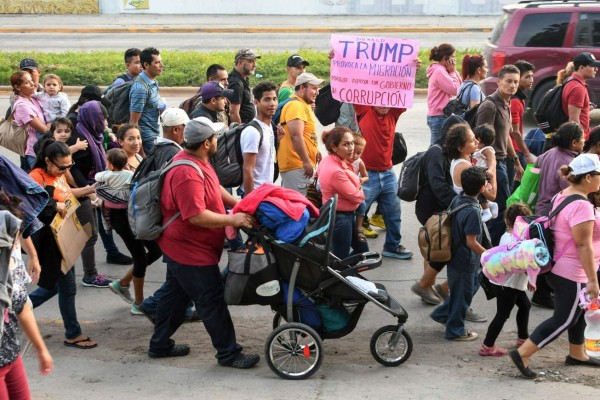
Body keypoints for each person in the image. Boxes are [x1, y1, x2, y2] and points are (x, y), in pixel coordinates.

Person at [148, 118, 260, 369]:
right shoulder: (185, 172)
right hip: (188, 250)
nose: (218, 141)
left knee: (176, 297)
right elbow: (195, 215)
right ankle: (228, 354)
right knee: (210, 300)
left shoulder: (199, 161)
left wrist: (240, 206)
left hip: (191, 247)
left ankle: (159, 344)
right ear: (207, 143)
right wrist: (234, 219)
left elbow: (214, 187)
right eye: (216, 138)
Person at [510, 153, 600, 379]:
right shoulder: (582, 206)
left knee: (578, 311)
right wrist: (592, 280)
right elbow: (583, 245)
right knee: (565, 318)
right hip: (572, 271)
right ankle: (523, 353)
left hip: (558, 266)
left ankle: (577, 352)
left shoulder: (564, 194)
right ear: (588, 177)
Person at [28, 139, 98, 350]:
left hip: (63, 237)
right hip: (50, 243)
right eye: (62, 167)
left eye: (69, 166)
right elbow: (27, 206)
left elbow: (67, 193)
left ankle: (14, 310)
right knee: (65, 287)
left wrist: (90, 189)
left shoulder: (57, 175)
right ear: (48, 161)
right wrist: (52, 204)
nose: (66, 170)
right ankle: (73, 333)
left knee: (54, 286)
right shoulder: (36, 177)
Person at [0, 189, 53, 399]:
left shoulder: (11, 262)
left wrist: (41, 349)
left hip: (11, 354)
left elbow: (22, 308)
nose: (15, 245)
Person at [107, 124, 162, 315]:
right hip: (122, 216)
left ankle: (123, 282)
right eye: (130, 139)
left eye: (138, 138)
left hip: (139, 214)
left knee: (156, 250)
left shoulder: (139, 158)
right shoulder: (116, 161)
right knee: (140, 257)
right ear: (120, 141)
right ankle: (139, 303)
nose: (136, 142)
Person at [430, 166, 488, 341]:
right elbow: (471, 242)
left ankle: (443, 314)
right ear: (482, 188)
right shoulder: (472, 211)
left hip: (455, 257)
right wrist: (489, 256)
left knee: (463, 292)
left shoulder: (458, 199)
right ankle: (456, 330)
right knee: (463, 297)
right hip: (465, 261)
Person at [532, 122, 585, 309]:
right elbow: (570, 190)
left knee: (546, 252)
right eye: (581, 139)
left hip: (541, 208)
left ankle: (543, 292)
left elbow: (536, 163)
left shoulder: (551, 153)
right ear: (573, 142)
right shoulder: (567, 163)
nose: (584, 140)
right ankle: (542, 294)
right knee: (552, 254)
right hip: (553, 213)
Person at [354, 103, 411, 260]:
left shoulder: (393, 113)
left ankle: (392, 247)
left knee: (394, 213)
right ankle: (348, 249)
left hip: (388, 173)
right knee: (358, 212)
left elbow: (403, 94)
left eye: (389, 100)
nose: (385, 104)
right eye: (381, 100)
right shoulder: (364, 110)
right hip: (367, 174)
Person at [68, 101, 115, 287]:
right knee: (90, 234)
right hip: (80, 192)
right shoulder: (80, 139)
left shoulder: (90, 133)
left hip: (88, 189)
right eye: (102, 118)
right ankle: (89, 275)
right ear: (93, 118)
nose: (105, 122)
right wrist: (88, 192)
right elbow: (73, 170)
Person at [476, 64, 523, 245]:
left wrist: (516, 161)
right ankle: (490, 250)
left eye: (515, 82)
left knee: (503, 207)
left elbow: (507, 136)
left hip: (505, 163)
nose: (512, 85)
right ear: (498, 82)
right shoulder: (490, 106)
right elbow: (479, 140)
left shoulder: (507, 102)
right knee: (499, 211)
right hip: (494, 165)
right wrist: (490, 169)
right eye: (508, 81)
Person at [480, 203, 533, 357]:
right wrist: (532, 277)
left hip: (510, 283)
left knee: (525, 305)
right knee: (503, 314)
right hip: (506, 285)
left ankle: (523, 338)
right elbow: (520, 263)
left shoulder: (507, 237)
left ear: (506, 221)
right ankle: (487, 346)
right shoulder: (514, 240)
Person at [318, 126, 368, 259]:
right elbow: (358, 197)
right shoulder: (336, 170)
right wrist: (359, 187)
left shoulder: (333, 160)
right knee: (341, 259)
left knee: (363, 252)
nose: (351, 148)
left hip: (345, 216)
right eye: (346, 144)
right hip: (341, 219)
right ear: (334, 147)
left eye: (352, 143)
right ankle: (341, 278)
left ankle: (347, 277)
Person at [278, 72, 323, 195]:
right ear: (302, 88)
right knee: (300, 208)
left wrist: (315, 150)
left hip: (300, 166)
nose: (317, 92)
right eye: (314, 88)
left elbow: (306, 133)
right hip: (297, 165)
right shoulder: (296, 105)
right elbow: (296, 135)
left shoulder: (303, 104)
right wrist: (306, 161)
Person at [241, 81, 277, 195]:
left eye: (274, 99)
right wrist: (250, 201)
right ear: (256, 102)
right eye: (267, 99)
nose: (272, 103)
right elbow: (247, 170)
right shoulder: (252, 132)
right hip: (255, 192)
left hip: (267, 191)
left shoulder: (271, 126)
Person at [129, 47, 164, 156]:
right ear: (146, 65)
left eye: (161, 62)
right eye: (157, 62)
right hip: (146, 141)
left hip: (154, 135)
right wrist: (141, 153)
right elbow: (133, 122)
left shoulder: (153, 82)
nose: (161, 65)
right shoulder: (140, 88)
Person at [426, 43, 462, 144]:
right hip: (439, 116)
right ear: (445, 58)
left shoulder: (444, 70)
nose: (454, 60)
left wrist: (453, 71)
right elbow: (455, 90)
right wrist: (452, 72)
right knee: (436, 150)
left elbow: (461, 85)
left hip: (442, 116)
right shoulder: (439, 72)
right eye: (453, 57)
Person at [10, 71, 46, 171]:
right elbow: (43, 129)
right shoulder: (22, 105)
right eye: (27, 82)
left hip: (44, 147)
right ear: (17, 87)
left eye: (31, 80)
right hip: (34, 151)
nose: (32, 84)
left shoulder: (34, 99)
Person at [563, 52, 600, 140]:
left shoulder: (572, 81)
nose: (596, 69)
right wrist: (582, 142)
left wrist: (587, 108)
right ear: (582, 68)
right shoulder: (577, 88)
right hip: (580, 139)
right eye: (593, 66)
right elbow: (573, 121)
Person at [510, 60, 536, 175]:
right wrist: (526, 154)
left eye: (532, 76)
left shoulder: (520, 98)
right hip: (513, 150)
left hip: (516, 148)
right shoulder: (515, 101)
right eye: (527, 77)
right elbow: (515, 132)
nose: (531, 80)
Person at [472, 124, 498, 223]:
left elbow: (492, 161)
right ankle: (490, 204)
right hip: (478, 173)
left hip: (484, 174)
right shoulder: (477, 150)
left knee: (479, 188)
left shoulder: (487, 150)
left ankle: (487, 211)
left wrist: (490, 170)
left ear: (480, 139)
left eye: (475, 139)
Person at [228, 48, 261, 125]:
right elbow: (233, 113)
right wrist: (239, 131)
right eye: (250, 61)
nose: (255, 64)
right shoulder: (236, 84)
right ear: (240, 63)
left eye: (255, 61)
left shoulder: (243, 78)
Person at [350, 133, 369, 242]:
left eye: (359, 153)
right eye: (354, 152)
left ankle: (359, 227)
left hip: (355, 189)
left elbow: (366, 176)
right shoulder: (343, 160)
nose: (355, 156)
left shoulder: (359, 162)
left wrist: (362, 180)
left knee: (362, 204)